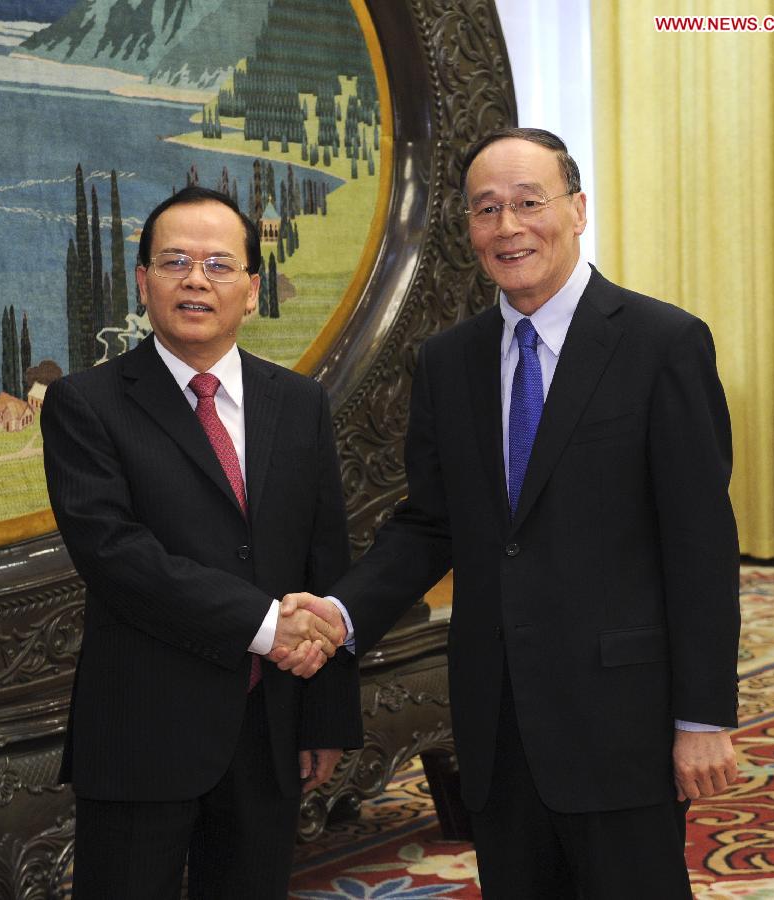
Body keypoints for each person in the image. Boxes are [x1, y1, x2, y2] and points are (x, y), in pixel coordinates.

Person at [278, 128, 741, 898]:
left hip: (619, 718)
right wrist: (338, 612)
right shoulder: (448, 360)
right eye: (486, 209)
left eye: (529, 203)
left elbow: (699, 544)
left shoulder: (662, 344)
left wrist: (701, 717)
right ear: (468, 229)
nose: (508, 226)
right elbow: (432, 523)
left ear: (578, 209)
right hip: (497, 717)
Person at [41, 186, 361, 899]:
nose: (195, 279)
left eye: (219, 264)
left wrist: (328, 714)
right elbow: (115, 554)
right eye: (174, 261)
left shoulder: (299, 402)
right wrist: (268, 626)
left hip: (269, 725)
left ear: (251, 290)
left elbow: (323, 557)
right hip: (142, 730)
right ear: (142, 282)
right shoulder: (86, 404)